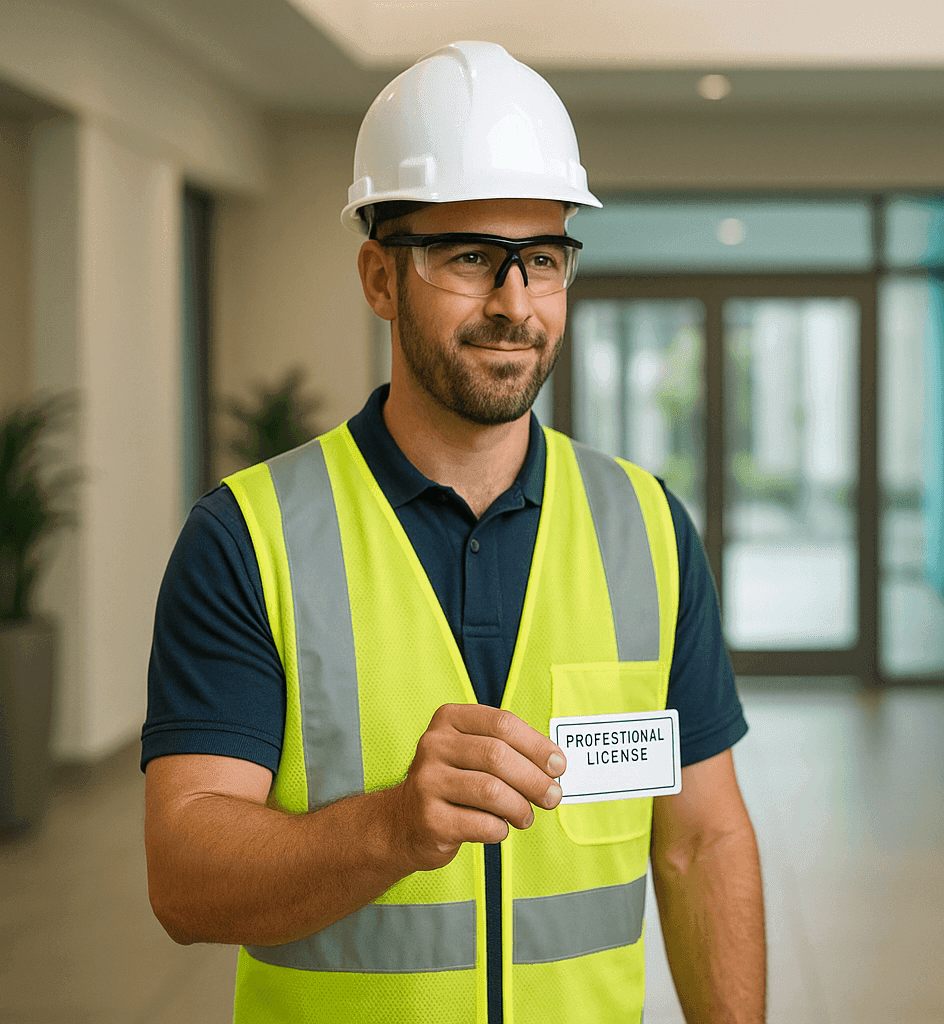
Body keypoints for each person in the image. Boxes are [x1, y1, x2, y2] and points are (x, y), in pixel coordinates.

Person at [142, 41, 765, 1024]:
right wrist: (390, 826)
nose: (515, 303)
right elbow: (183, 876)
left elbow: (698, 840)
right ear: (380, 279)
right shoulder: (247, 538)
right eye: (470, 257)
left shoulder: (645, 527)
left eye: (545, 259)